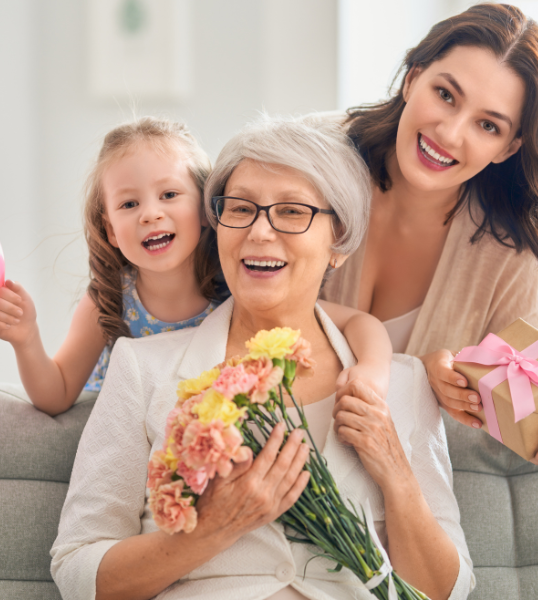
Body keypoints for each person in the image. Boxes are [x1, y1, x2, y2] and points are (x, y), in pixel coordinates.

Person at [51, 116, 474, 600]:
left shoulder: (404, 383)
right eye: (241, 209)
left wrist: (397, 474)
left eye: (292, 212)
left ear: (337, 242)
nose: (259, 232)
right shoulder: (142, 368)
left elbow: (448, 590)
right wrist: (211, 529)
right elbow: (77, 570)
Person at [321, 2, 538, 463]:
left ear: (508, 148)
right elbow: (239, 313)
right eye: (446, 94)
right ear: (412, 78)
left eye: (487, 125)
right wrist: (417, 375)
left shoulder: (514, 262)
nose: (450, 134)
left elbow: (502, 427)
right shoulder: (305, 163)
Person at [0, 117, 391, 416]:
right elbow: (57, 394)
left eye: (169, 195)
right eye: (129, 204)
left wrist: (372, 369)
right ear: (111, 231)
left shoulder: (235, 285)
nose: (150, 214)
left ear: (207, 211)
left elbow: (358, 323)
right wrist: (26, 339)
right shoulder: (111, 300)